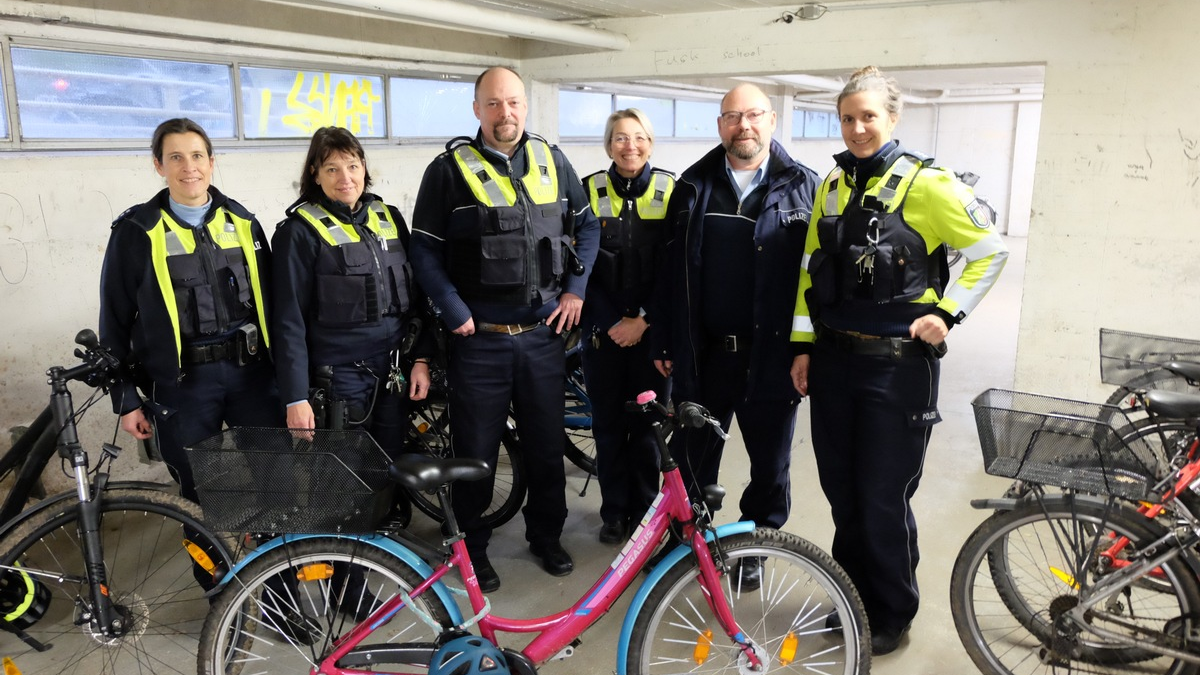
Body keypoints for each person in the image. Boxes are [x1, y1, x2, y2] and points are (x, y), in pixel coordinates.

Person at [789, 66, 1009, 655]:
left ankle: (890, 612)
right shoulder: (831, 186)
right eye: (848, 118)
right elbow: (811, 269)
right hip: (833, 363)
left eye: (869, 116)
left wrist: (949, 313)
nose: (858, 128)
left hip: (896, 368)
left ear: (892, 117)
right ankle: (852, 597)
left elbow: (990, 252)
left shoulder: (928, 185)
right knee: (842, 492)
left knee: (882, 495)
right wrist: (803, 347)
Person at [411, 66, 600, 591]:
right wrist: (452, 308)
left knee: (545, 447)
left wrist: (576, 289)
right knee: (475, 455)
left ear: (525, 105)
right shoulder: (447, 171)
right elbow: (423, 249)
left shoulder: (553, 161)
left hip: (542, 339)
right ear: (477, 110)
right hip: (480, 342)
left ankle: (547, 535)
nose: (505, 113)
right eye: (493, 104)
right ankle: (472, 550)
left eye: (513, 102)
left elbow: (587, 226)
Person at [653, 84, 818, 585]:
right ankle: (688, 544)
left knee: (769, 465)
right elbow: (669, 271)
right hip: (706, 356)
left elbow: (816, 278)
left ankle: (755, 548)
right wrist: (665, 339)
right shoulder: (691, 186)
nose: (743, 125)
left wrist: (808, 348)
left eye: (753, 115)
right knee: (693, 457)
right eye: (731, 116)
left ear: (771, 120)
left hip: (772, 357)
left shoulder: (805, 186)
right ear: (720, 125)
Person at [99, 118, 281, 504]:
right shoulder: (137, 232)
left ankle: (274, 546)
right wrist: (125, 399)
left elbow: (275, 304)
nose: (189, 167)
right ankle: (205, 548)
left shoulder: (243, 222)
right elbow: (113, 320)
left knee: (276, 475)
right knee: (198, 491)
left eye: (197, 156)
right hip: (183, 385)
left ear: (212, 162)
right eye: (176, 157)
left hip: (253, 376)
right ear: (158, 165)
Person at [272, 126, 430, 474]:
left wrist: (421, 358)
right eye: (332, 169)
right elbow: (287, 321)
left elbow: (417, 297)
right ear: (315, 174)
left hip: (394, 371)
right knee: (341, 477)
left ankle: (386, 510)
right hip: (340, 380)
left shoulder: (388, 217)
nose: (346, 178)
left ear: (364, 168)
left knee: (388, 467)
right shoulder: (298, 233)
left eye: (353, 166)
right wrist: (295, 397)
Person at [580, 109, 673, 545]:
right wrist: (613, 321)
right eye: (620, 137)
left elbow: (678, 269)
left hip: (652, 337)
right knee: (608, 427)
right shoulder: (588, 190)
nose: (629, 146)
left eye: (638, 137)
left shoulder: (673, 191)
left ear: (650, 143)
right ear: (608, 144)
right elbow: (579, 267)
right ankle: (614, 512)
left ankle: (646, 512)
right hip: (604, 335)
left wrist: (644, 320)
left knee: (649, 429)